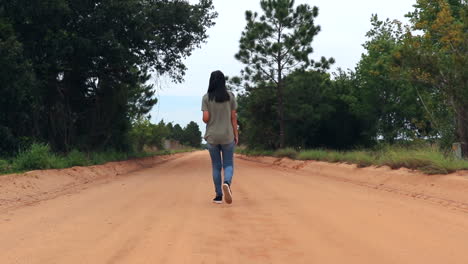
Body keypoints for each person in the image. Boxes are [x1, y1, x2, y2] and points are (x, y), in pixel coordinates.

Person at [201, 70, 238, 204]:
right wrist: (236, 134)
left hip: (212, 137)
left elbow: (205, 118)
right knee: (228, 164)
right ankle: (227, 183)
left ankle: (218, 196)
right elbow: (233, 117)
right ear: (223, 81)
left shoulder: (206, 97)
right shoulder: (231, 96)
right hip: (227, 135)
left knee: (216, 166)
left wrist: (210, 115)